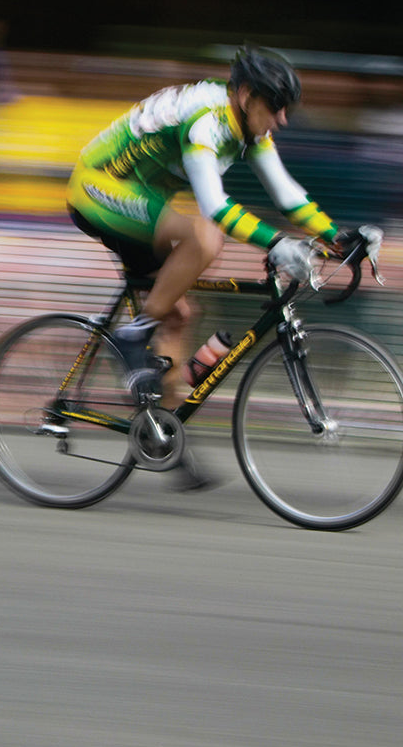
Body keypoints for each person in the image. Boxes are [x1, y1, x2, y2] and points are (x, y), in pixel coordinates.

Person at [67, 45, 357, 488]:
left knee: (180, 314)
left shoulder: (247, 129)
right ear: (246, 96)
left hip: (140, 201)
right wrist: (276, 242)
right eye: (276, 106)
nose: (282, 118)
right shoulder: (206, 118)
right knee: (205, 235)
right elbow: (215, 207)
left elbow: (287, 195)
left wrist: (336, 236)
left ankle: (161, 435)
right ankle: (131, 333)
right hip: (98, 188)